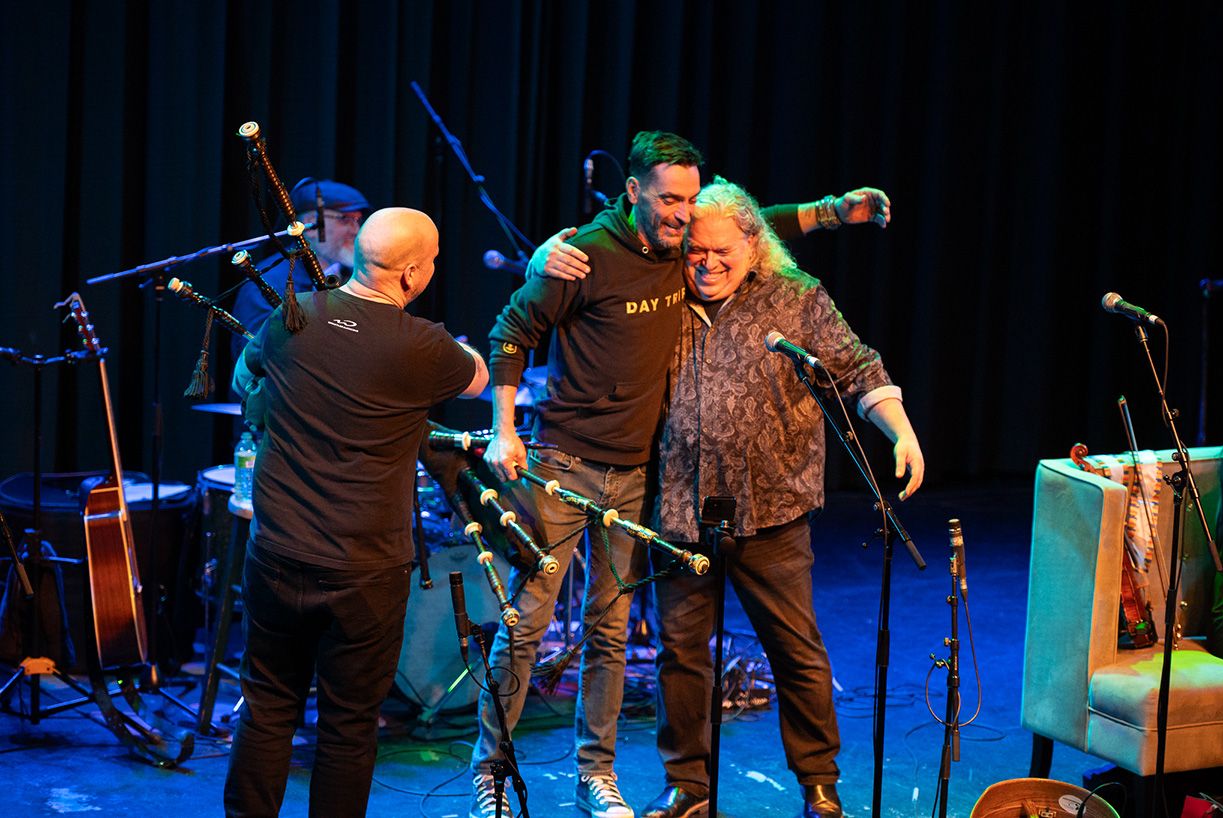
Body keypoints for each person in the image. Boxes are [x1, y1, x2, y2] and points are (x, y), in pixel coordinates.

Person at [472, 130, 888, 818]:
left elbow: (750, 224)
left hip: (642, 480)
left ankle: (596, 775)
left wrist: (832, 211)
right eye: (669, 200)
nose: (682, 216)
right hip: (571, 468)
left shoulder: (687, 251)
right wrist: (505, 427)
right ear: (632, 190)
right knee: (527, 623)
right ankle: (491, 772)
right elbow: (512, 331)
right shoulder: (586, 254)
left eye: (690, 201)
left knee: (610, 633)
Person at [641, 178, 924, 818]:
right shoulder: (662, 292)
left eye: (722, 252)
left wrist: (902, 432)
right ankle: (688, 785)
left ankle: (819, 784)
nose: (706, 264)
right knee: (681, 655)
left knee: (796, 651)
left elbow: (858, 368)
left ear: (754, 245)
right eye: (695, 251)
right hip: (680, 511)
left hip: (771, 509)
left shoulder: (795, 298)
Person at [224, 207, 488, 817]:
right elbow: (477, 377)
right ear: (413, 273)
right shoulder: (424, 346)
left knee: (267, 706)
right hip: (365, 570)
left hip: (278, 553)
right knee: (347, 725)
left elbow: (243, 378)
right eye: (433, 261)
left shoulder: (292, 315)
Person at [230, 177, 371, 359]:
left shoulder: (353, 277)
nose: (356, 230)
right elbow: (256, 355)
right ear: (311, 225)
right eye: (345, 219)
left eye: (358, 220)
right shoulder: (266, 280)